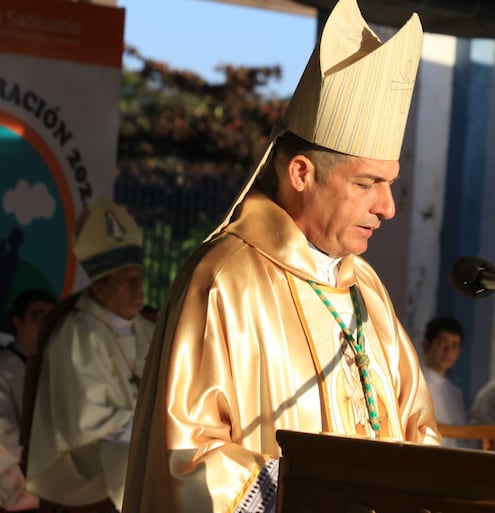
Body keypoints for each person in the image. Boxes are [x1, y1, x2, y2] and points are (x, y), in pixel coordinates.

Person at [123, 1, 435, 512]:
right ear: (301, 174)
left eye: (390, 184)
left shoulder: (366, 290)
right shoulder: (224, 279)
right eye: (367, 183)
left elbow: (419, 432)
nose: (388, 207)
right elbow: (187, 456)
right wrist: (309, 492)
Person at [26, 197, 153, 509]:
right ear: (99, 289)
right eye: (128, 281)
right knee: (140, 466)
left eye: (139, 278)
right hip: (78, 460)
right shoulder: (77, 333)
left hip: (131, 441)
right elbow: (86, 421)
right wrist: (148, 428)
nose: (139, 288)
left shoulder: (148, 328)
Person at [0, 288, 55, 458]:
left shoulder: (57, 365)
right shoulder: (4, 367)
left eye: (52, 318)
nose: (46, 324)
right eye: (38, 317)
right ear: (18, 323)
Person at [420, 316, 467, 447]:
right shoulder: (416, 382)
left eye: (454, 346)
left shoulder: (456, 393)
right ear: (426, 345)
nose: (448, 351)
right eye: (442, 344)